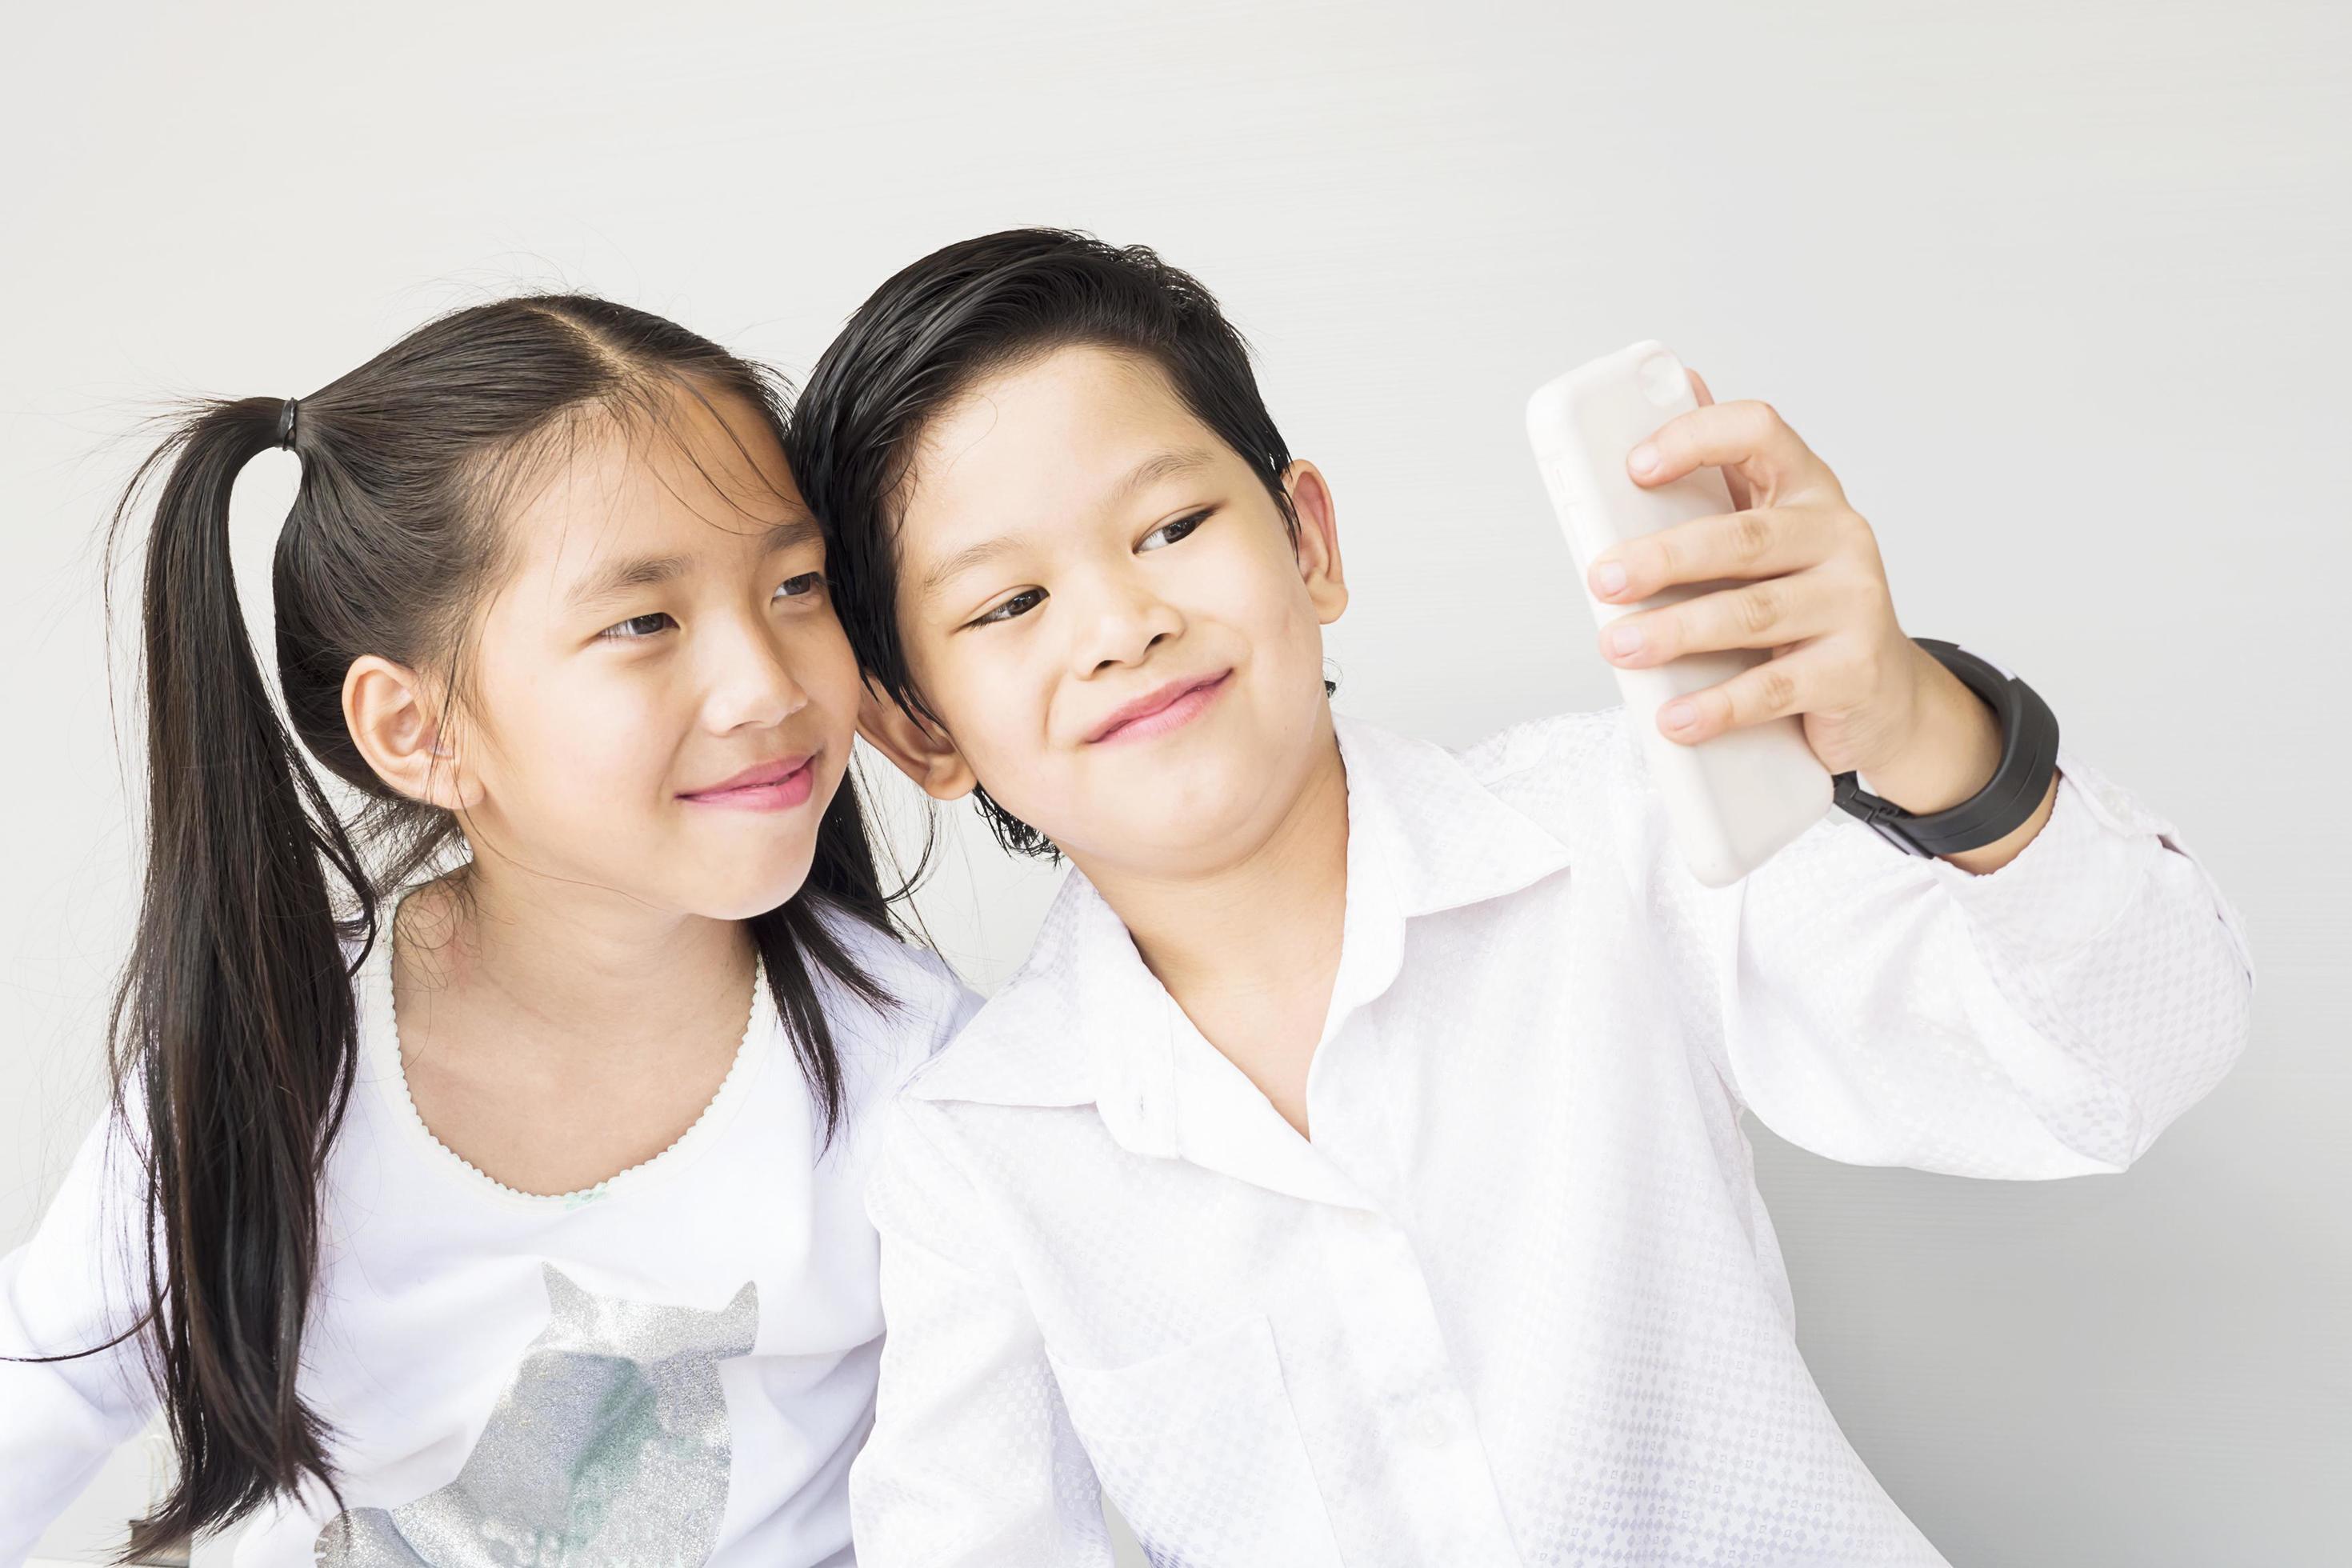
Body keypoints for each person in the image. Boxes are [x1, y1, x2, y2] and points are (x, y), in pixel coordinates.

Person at [785, 230, 2256, 1566]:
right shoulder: (978, 1154)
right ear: (917, 727)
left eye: (1170, 527)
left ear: (1311, 542)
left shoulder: (1619, 832)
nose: (1123, 621)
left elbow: (2125, 1066)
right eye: (1006, 605)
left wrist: (1928, 732)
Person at [0, 296, 974, 1568]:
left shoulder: (915, 1068)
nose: (770, 684)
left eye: (796, 586)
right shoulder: (276, 1052)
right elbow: (48, 1385)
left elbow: (979, 1507)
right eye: (645, 621)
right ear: (417, 731)